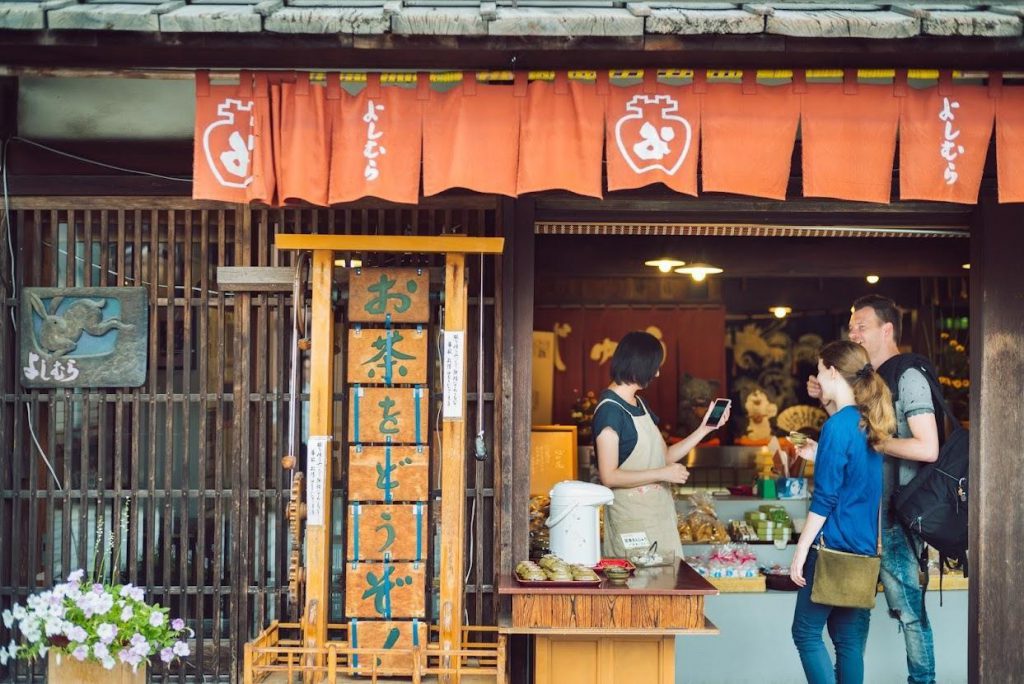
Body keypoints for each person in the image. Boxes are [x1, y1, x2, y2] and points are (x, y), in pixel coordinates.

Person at [808, 295, 939, 684]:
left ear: (888, 329)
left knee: (910, 615)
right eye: (851, 327)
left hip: (896, 520)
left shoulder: (909, 376)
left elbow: (927, 447)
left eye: (861, 326)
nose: (854, 333)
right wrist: (828, 403)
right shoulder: (868, 382)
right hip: (862, 521)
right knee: (852, 625)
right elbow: (852, 440)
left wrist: (876, 444)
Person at [790, 340, 896, 684]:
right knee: (848, 642)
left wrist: (802, 548)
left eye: (820, 370)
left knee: (806, 634)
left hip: (831, 548)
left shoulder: (836, 426)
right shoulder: (869, 424)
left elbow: (826, 499)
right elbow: (857, 483)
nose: (817, 378)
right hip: (862, 549)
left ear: (832, 372)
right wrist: (822, 455)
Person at [592, 331, 730, 560]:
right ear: (638, 365)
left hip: (659, 519)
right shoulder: (609, 411)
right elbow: (609, 476)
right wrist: (662, 474)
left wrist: (705, 429)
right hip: (632, 523)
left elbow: (664, 456)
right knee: (639, 588)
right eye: (654, 366)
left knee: (666, 586)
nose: (657, 373)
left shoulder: (639, 403)